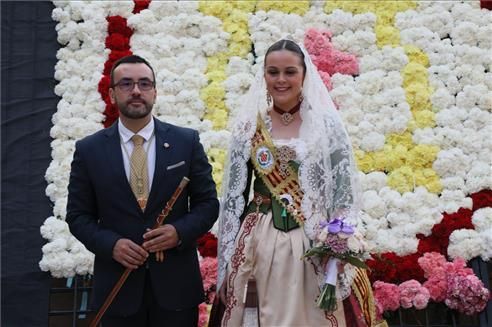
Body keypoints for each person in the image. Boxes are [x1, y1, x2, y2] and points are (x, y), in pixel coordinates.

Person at [216, 39, 387, 326]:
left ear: (304, 75)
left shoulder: (327, 127)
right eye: (273, 72)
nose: (281, 80)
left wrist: (338, 244)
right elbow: (233, 202)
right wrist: (226, 267)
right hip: (259, 242)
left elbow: (343, 194)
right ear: (264, 76)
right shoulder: (249, 128)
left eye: (289, 72)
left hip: (314, 240)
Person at [66, 55, 219, 327]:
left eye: (144, 83)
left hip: (176, 290)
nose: (136, 90)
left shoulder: (186, 141)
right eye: (126, 84)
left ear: (155, 92)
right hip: (118, 288)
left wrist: (178, 232)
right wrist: (110, 245)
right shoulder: (89, 150)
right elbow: (78, 217)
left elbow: (207, 204)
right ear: (112, 94)